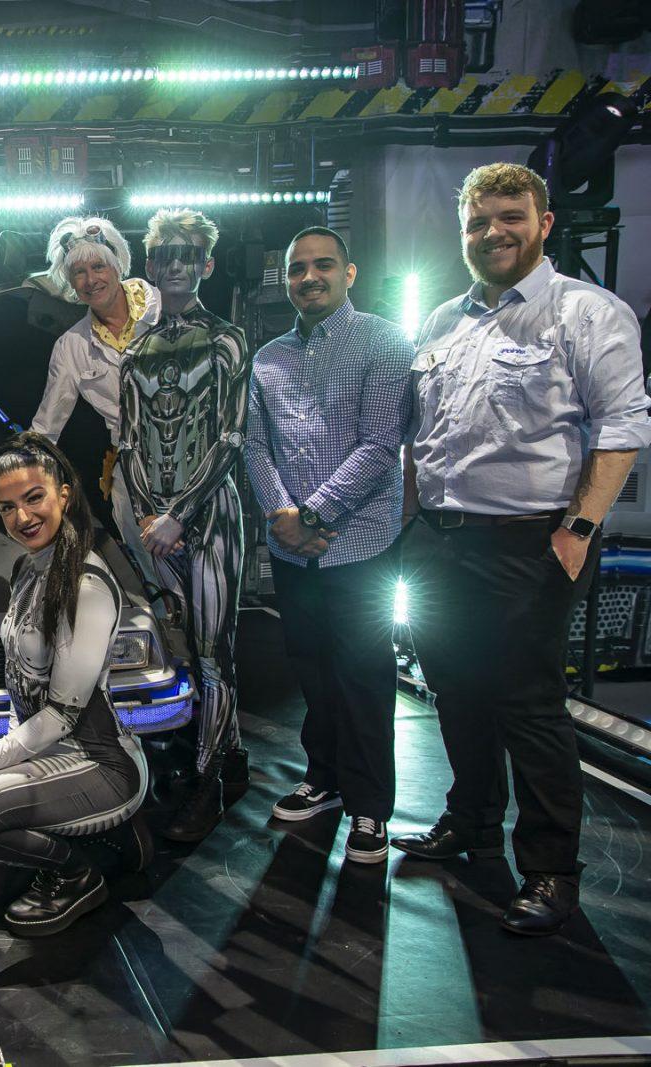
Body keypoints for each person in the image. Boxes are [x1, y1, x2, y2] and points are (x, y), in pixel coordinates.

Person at [395, 162, 651, 934]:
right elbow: (423, 435)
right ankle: (472, 819)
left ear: (544, 223)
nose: (492, 232)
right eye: (477, 222)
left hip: (532, 543)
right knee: (455, 689)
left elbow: (621, 426)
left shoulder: (587, 312)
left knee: (529, 704)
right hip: (440, 541)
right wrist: (408, 524)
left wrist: (579, 530)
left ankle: (550, 869)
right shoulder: (442, 320)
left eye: (510, 216)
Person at [35, 212, 252, 843]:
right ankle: (211, 752)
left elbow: (231, 433)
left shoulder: (199, 325)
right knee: (177, 627)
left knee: (214, 646)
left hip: (201, 502)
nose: (89, 278)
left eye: (97, 265)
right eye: (77, 272)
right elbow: (74, 431)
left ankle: (214, 774)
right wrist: (20, 476)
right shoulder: (93, 349)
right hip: (141, 500)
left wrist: (180, 513)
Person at [0, 433, 149, 935]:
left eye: (34, 499)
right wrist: (4, 763)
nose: (22, 517)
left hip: (99, 763)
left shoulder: (86, 585)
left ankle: (79, 874)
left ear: (63, 495)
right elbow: (19, 689)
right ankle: (101, 838)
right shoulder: (27, 567)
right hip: (42, 756)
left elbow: (62, 714)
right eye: (7, 507)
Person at [244, 226, 414, 863]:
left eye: (322, 265)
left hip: (359, 541)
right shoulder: (267, 358)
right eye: (297, 269)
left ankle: (370, 807)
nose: (309, 278)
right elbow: (255, 447)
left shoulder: (384, 341)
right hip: (292, 547)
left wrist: (314, 514)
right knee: (311, 669)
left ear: (349, 273)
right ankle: (325, 778)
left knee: (363, 675)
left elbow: (382, 444)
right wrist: (283, 515)